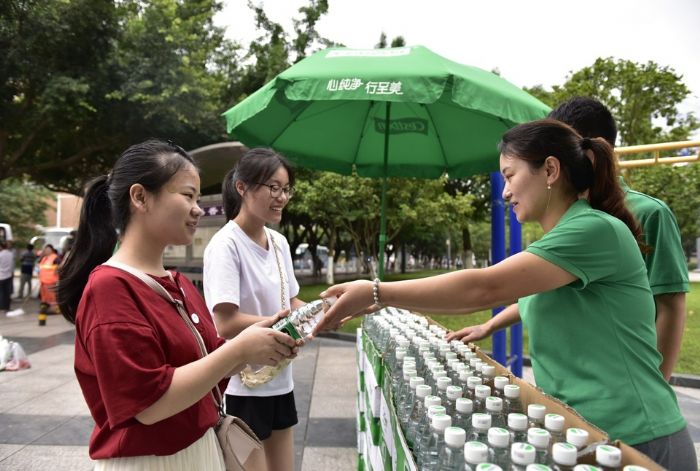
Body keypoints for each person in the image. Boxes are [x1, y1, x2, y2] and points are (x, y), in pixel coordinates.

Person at [315, 119, 696, 470]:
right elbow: (522, 299)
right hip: (584, 434)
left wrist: (377, 291)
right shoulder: (565, 238)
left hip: (636, 439)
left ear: (549, 170)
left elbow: (485, 286)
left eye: (510, 176)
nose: (506, 192)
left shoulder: (593, 230)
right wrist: (488, 326)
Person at [56, 139, 299, 469]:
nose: (198, 208)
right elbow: (149, 404)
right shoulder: (110, 289)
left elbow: (213, 366)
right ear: (140, 197)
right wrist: (240, 350)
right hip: (151, 461)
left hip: (200, 451)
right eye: (187, 196)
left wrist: (267, 343)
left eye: (198, 198)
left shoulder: (178, 284)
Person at [548, 96, 689, 381]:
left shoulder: (650, 214)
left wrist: (655, 382)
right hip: (577, 382)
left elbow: (670, 305)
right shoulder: (564, 214)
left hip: (628, 385)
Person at [203, 148, 303, 471]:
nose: (282, 197)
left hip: (280, 379)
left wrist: (324, 311)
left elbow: (292, 303)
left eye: (286, 188)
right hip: (242, 386)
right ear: (242, 187)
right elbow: (225, 322)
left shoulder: (279, 243)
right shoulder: (225, 245)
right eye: (273, 187)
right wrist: (276, 325)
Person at [37, 244, 59, 315]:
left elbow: (61, 266)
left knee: (52, 297)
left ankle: (54, 310)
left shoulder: (55, 258)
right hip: (43, 282)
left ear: (51, 250)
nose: (46, 251)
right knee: (44, 297)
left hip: (51, 281)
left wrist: (57, 270)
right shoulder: (44, 258)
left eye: (48, 249)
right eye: (45, 249)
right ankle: (44, 309)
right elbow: (40, 267)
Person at [0, 241, 13, 314]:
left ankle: (1, 307)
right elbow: (11, 265)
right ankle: (7, 307)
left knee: (1, 292)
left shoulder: (0, 254)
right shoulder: (10, 254)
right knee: (7, 293)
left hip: (1, 275)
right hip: (8, 275)